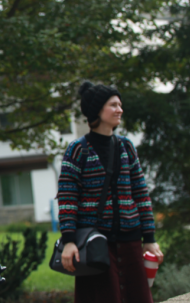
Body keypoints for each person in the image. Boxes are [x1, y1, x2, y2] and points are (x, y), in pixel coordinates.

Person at [57, 82, 164, 303]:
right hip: (96, 246)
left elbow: (141, 194)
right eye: (113, 105)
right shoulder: (78, 150)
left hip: (131, 241)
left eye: (120, 105)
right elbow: (67, 199)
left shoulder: (126, 147)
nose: (119, 110)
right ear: (97, 110)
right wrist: (69, 240)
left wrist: (149, 238)